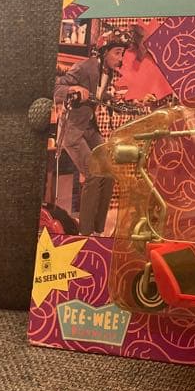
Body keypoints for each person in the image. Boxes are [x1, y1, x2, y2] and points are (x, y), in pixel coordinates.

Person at [54, 27, 144, 236]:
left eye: (122, 53)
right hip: (72, 130)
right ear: (104, 52)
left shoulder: (108, 72)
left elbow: (100, 95)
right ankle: (85, 233)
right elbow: (56, 88)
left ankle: (98, 229)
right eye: (117, 53)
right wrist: (73, 89)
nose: (120, 58)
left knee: (109, 170)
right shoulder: (85, 67)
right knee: (94, 174)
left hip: (89, 127)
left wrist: (123, 101)